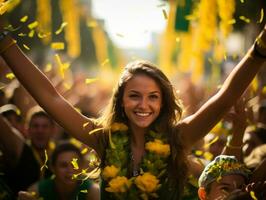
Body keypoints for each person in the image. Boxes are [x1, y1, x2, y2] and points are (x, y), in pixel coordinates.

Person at [0, 18, 266, 199]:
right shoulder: (102, 138)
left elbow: (224, 97)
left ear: (163, 102)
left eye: (153, 97)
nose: (143, 105)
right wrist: (4, 42)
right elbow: (51, 98)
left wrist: (259, 50)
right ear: (120, 101)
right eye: (134, 96)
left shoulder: (179, 137)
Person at [18, 141, 99, 200]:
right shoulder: (36, 191)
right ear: (53, 168)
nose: (69, 170)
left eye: (75, 165)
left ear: (82, 166)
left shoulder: (93, 191)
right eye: (63, 165)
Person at [0, 107, 54, 195]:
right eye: (35, 126)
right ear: (27, 129)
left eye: (45, 126)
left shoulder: (58, 154)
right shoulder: (20, 149)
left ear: (52, 130)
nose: (40, 131)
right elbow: (4, 128)